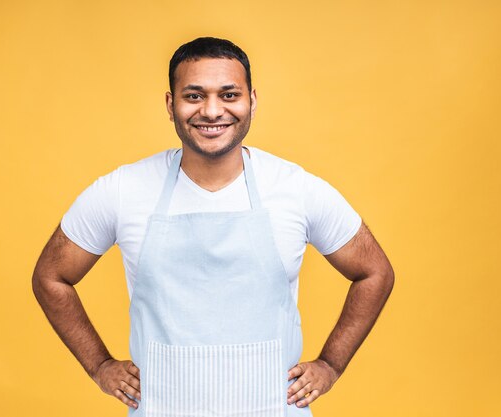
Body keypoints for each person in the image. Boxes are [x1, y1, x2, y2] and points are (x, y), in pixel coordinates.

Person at [32, 37, 394, 417]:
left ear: (251, 101)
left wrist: (331, 365)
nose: (211, 110)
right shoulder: (123, 190)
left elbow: (375, 272)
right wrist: (100, 366)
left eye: (229, 94)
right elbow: (51, 276)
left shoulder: (295, 188)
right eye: (193, 96)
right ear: (171, 105)